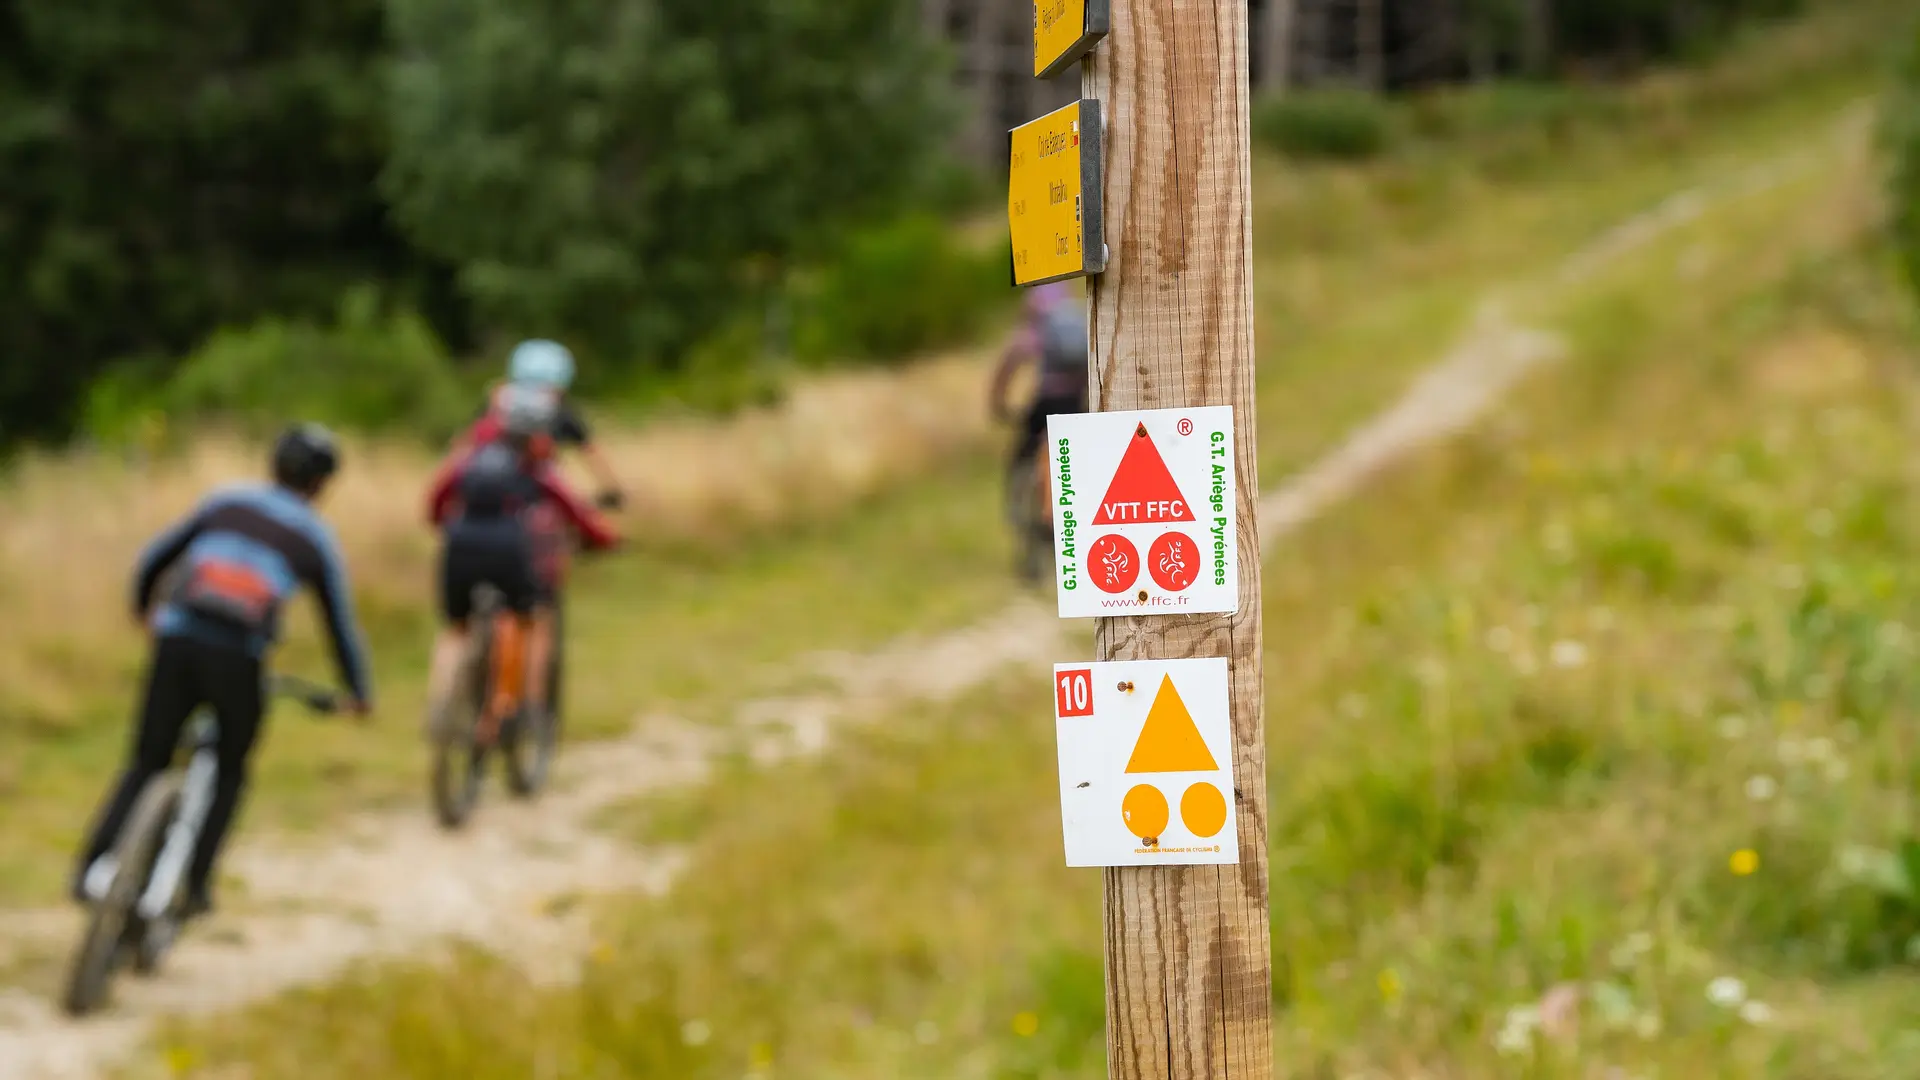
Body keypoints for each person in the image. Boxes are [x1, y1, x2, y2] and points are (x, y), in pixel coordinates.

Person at [73, 424, 374, 919]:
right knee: (230, 770)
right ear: (322, 484)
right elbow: (339, 624)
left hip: (177, 637)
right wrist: (358, 690)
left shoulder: (225, 500)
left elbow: (155, 557)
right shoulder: (314, 536)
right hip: (239, 656)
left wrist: (143, 607)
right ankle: (194, 884)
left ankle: (90, 867)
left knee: (147, 760)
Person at [424, 383, 619, 742]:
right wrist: (608, 539)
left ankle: (440, 702)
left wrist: (444, 524)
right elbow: (576, 512)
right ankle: (509, 709)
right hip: (509, 548)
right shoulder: (537, 471)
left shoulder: (468, 460)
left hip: (459, 544)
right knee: (524, 618)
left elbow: (436, 500)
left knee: (456, 628)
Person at [457, 339, 626, 508]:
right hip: (534, 497)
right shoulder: (558, 411)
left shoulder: (497, 405)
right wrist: (613, 491)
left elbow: (463, 447)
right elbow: (590, 452)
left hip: (486, 493)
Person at [989, 282, 1090, 472]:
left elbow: (1006, 369)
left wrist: (1001, 406)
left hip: (1046, 404)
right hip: (1076, 404)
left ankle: (1024, 495)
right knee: (1079, 459)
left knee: (1025, 462)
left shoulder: (1034, 332)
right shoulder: (1076, 322)